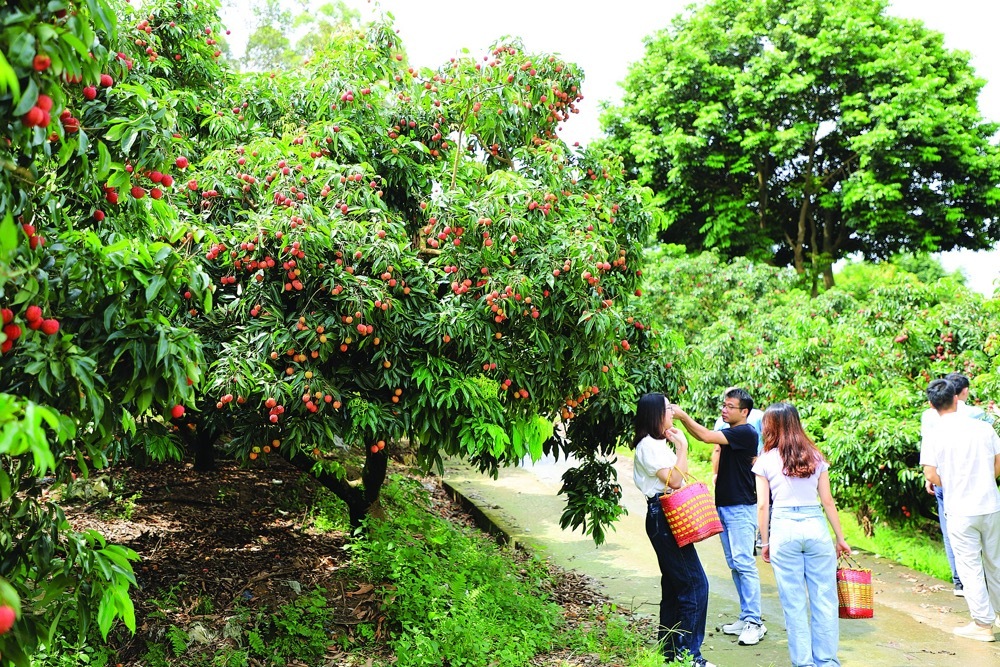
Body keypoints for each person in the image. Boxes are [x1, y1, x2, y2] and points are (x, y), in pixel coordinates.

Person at [753, 402, 850, 667]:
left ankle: (804, 663)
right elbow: (828, 501)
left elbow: (763, 505)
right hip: (816, 526)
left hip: (784, 529)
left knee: (794, 602)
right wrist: (840, 538)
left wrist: (765, 541)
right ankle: (827, 661)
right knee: (825, 599)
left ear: (770, 426)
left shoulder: (765, 460)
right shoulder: (815, 456)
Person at [671, 388, 765, 646]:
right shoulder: (732, 432)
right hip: (725, 506)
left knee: (744, 564)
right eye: (723, 405)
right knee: (735, 564)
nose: (724, 410)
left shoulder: (746, 432)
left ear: (744, 411)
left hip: (741, 508)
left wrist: (681, 416)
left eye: (729, 406)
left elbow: (703, 436)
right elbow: (706, 438)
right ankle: (747, 615)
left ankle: (755, 622)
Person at [631, 393, 715, 667]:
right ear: (656, 414)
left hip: (664, 515)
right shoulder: (649, 446)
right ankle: (689, 656)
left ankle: (668, 653)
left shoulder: (655, 444)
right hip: (663, 517)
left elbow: (677, 477)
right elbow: (677, 480)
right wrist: (683, 447)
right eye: (668, 409)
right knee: (695, 585)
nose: (673, 412)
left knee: (674, 585)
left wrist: (679, 446)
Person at [920, 378, 1000, 642]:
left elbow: (930, 473)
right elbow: (998, 463)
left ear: (932, 405)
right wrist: (985, 479)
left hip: (960, 508)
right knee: (995, 562)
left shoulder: (934, 433)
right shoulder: (983, 427)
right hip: (990, 504)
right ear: (956, 398)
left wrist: (952, 482)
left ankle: (982, 624)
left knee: (969, 567)